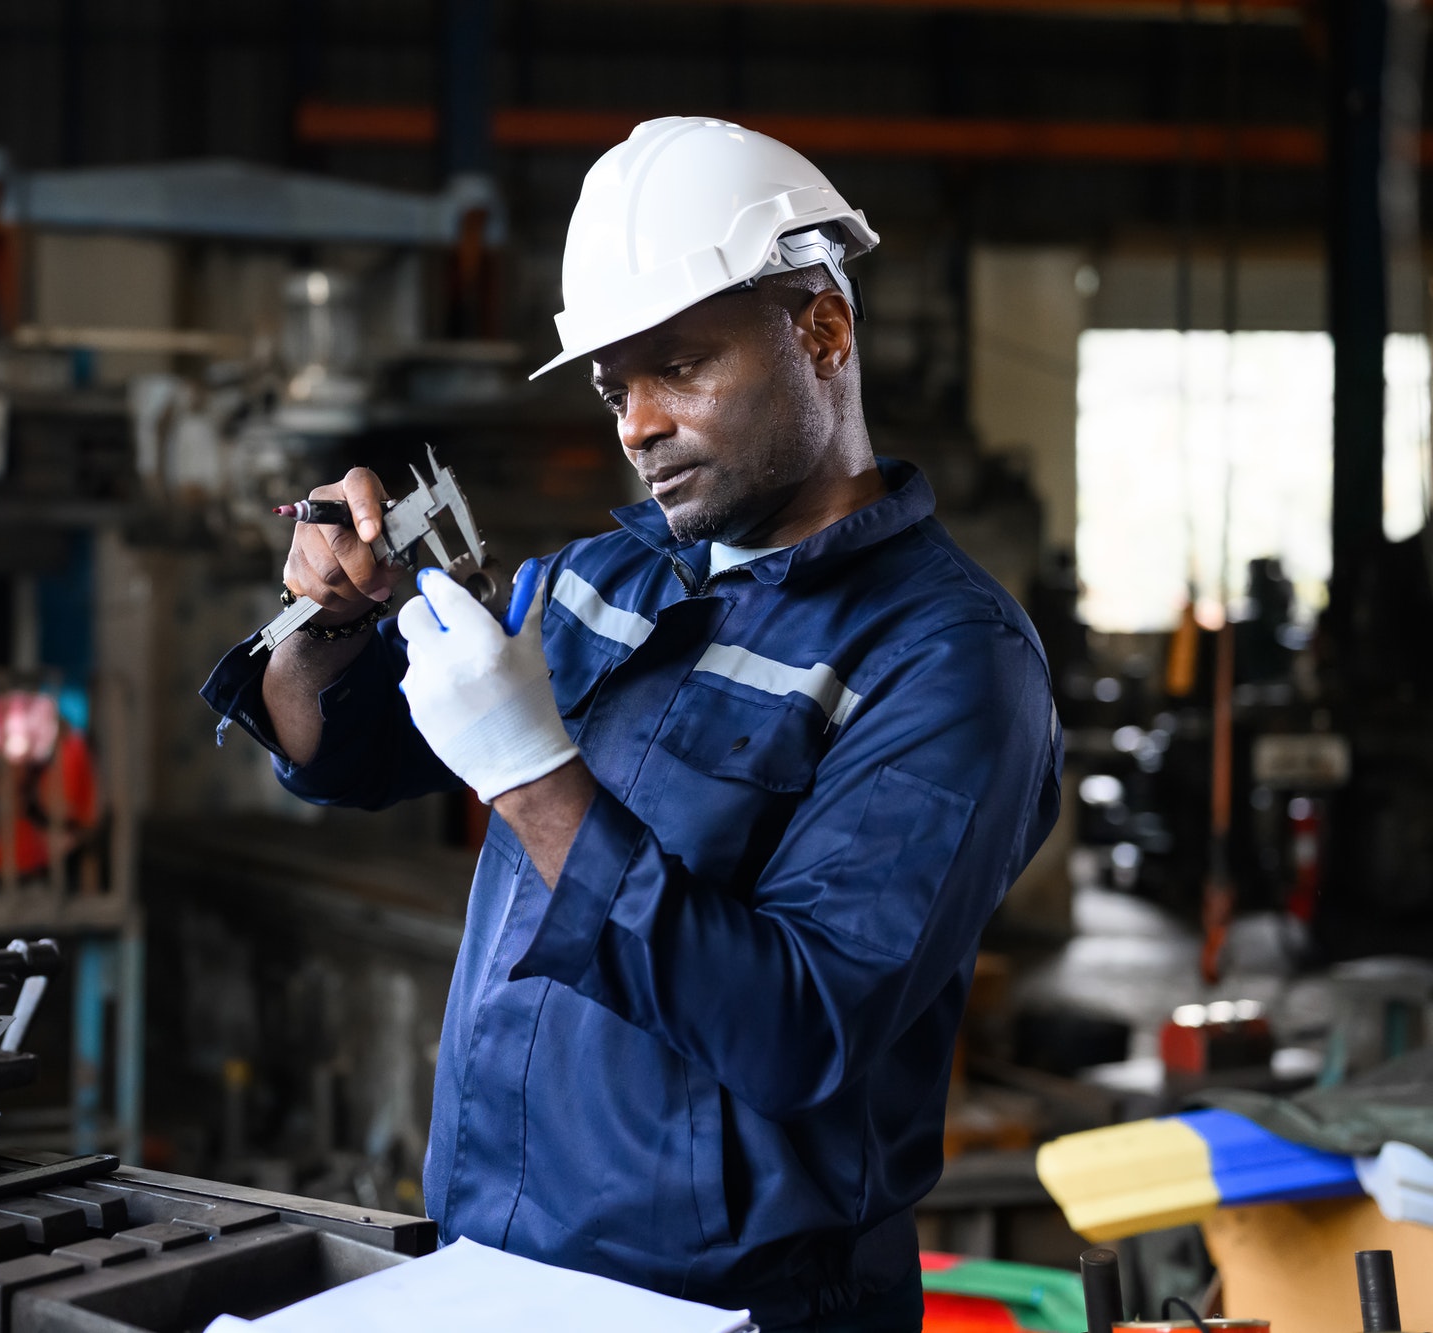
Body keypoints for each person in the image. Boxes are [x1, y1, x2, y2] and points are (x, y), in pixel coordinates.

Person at [202, 118, 1062, 1329]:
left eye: (680, 369)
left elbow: (797, 1027)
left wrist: (530, 775)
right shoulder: (608, 578)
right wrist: (331, 615)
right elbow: (342, 752)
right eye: (615, 387)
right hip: (497, 1264)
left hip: (732, 1309)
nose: (635, 425)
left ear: (821, 329)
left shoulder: (946, 663)